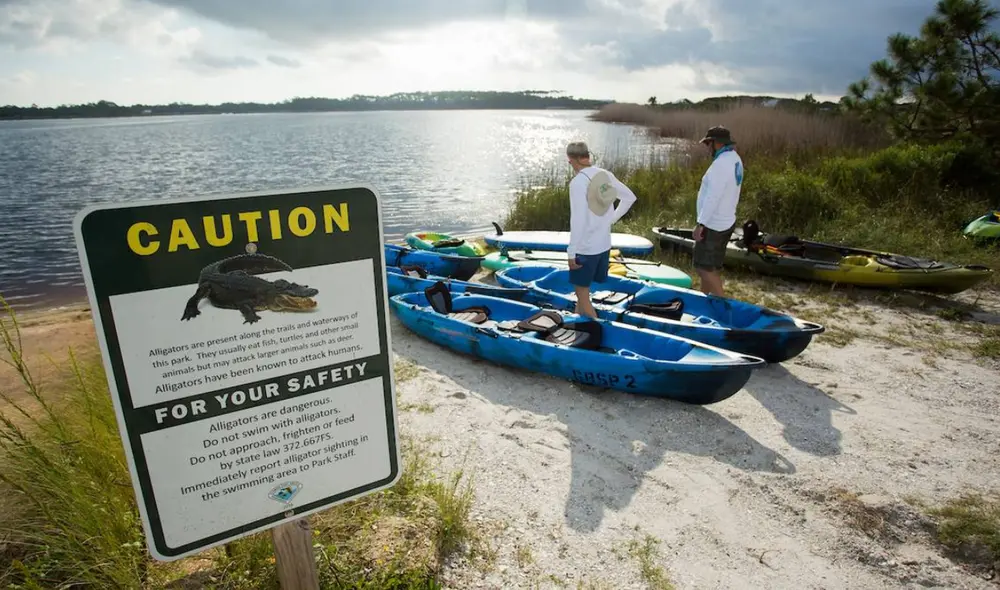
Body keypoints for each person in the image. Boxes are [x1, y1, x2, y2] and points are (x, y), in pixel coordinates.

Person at [564, 141, 638, 319]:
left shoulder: (578, 183)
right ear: (587, 156)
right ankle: (576, 323)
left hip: (586, 248)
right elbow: (629, 197)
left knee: (582, 294)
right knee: (582, 293)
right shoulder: (605, 174)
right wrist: (611, 219)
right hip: (604, 246)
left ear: (571, 160)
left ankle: (598, 329)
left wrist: (571, 252)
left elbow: (578, 220)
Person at [692, 125, 743, 297]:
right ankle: (704, 300)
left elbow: (713, 197)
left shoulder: (720, 165)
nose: (708, 148)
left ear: (717, 143)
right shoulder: (735, 159)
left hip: (713, 224)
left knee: (703, 268)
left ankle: (723, 304)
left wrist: (701, 224)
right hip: (726, 220)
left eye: (709, 143)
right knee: (711, 267)